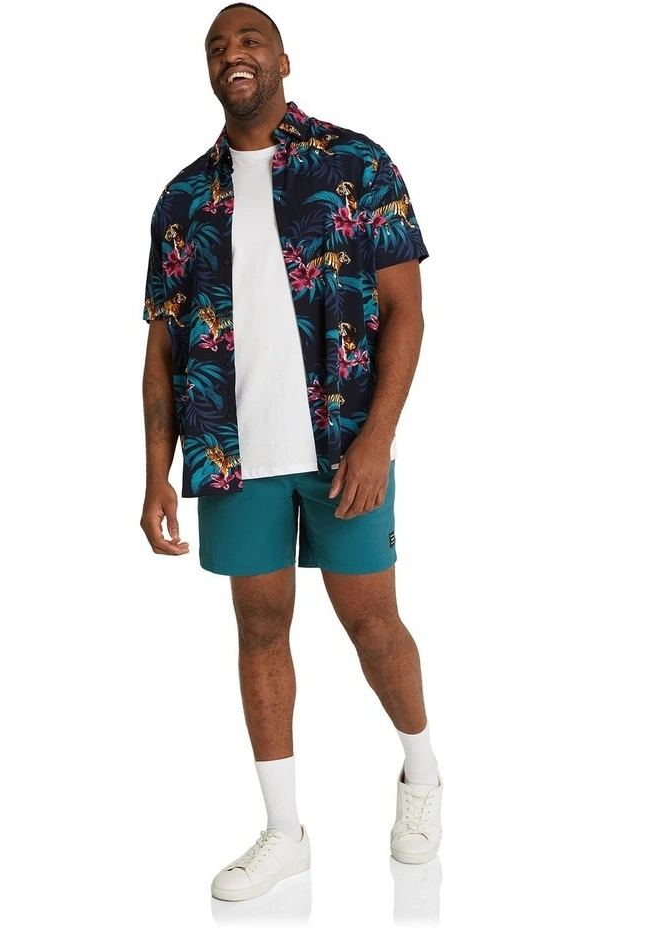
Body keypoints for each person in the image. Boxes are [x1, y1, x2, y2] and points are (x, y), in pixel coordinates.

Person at [140, 2, 442, 903]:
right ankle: (283, 832)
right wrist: (154, 471)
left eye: (249, 41)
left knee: (372, 625)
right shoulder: (183, 201)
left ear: (281, 59)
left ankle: (423, 775)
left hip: (345, 442)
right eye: (216, 46)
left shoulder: (357, 165)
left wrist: (378, 438)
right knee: (260, 630)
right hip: (233, 452)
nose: (232, 55)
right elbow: (162, 351)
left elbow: (406, 312)